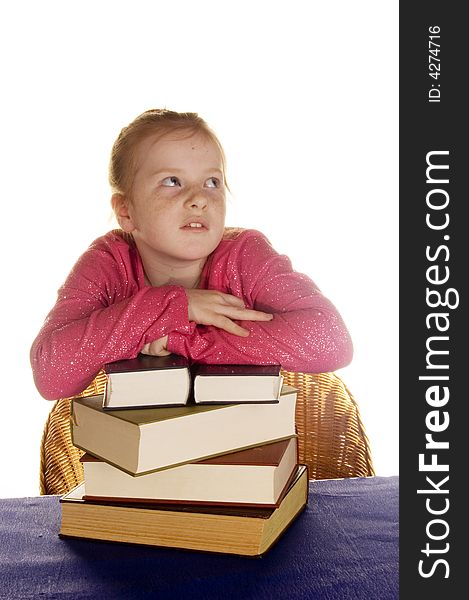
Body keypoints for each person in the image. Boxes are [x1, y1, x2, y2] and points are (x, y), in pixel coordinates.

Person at [30, 109, 353, 401]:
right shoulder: (107, 263)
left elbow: (331, 343)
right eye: (172, 181)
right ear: (126, 211)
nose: (199, 198)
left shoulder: (247, 254)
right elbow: (52, 375)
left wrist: (177, 339)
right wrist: (175, 304)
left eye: (212, 182)